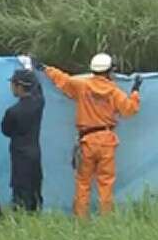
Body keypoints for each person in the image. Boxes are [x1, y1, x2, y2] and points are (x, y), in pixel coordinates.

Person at [41, 53, 141, 216]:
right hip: (106, 141)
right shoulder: (114, 92)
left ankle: (80, 220)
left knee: (83, 182)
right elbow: (130, 110)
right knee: (105, 182)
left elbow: (63, 80)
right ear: (110, 71)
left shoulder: (82, 86)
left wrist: (46, 68)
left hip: (86, 141)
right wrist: (135, 91)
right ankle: (105, 217)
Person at [1, 65, 44, 211]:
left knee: (20, 192)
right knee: (35, 189)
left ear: (19, 87)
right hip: (34, 153)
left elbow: (5, 131)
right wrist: (30, 68)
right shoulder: (38, 103)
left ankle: (21, 218)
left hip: (19, 155)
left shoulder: (13, 112)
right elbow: (38, 89)